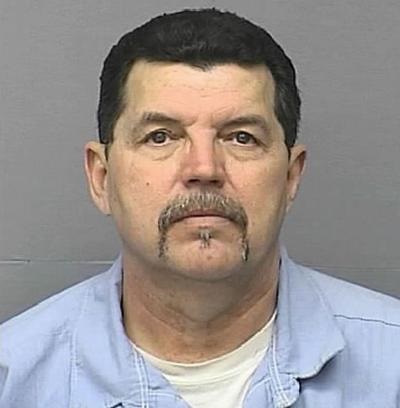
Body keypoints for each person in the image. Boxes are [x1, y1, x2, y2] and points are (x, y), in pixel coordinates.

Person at [0, 8, 399, 408]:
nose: (204, 169)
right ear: (101, 177)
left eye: (241, 137)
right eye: (160, 137)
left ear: (290, 177)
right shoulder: (12, 379)